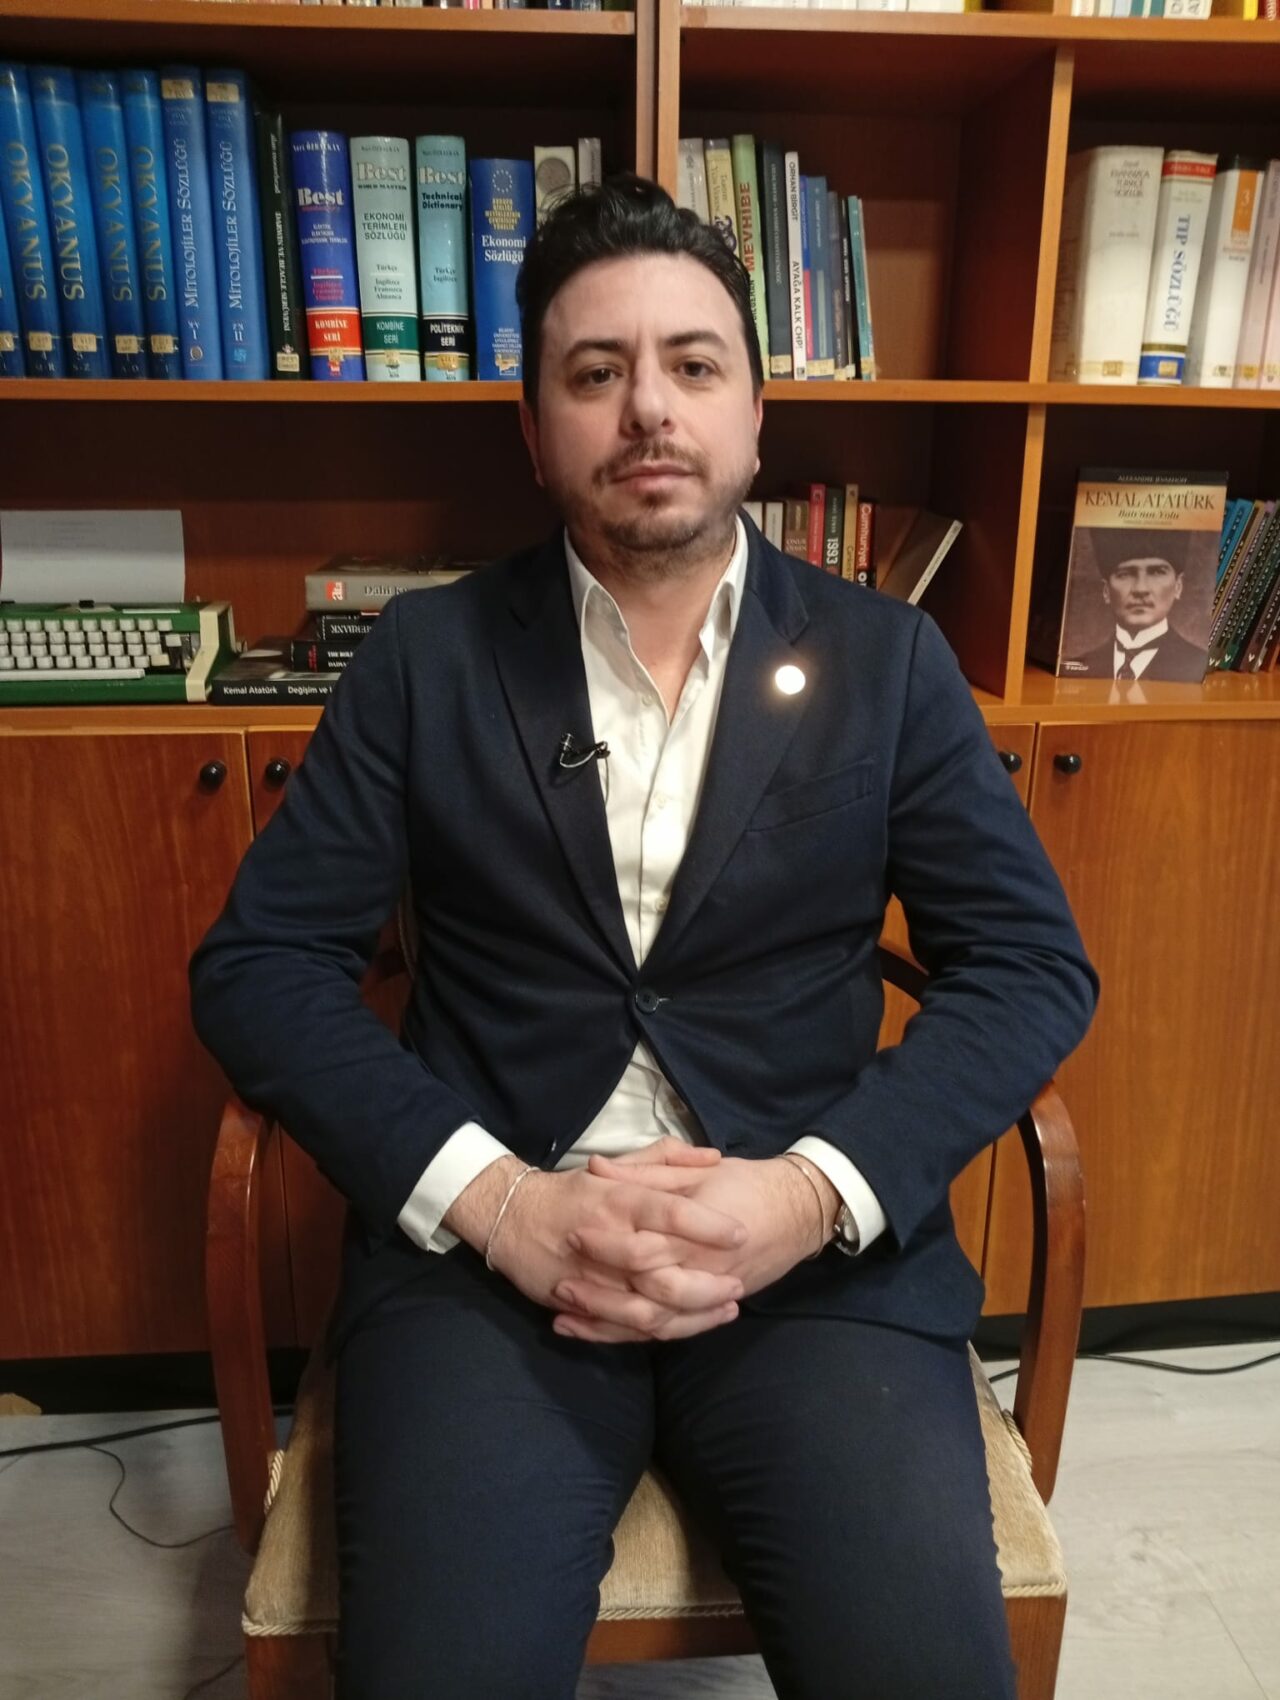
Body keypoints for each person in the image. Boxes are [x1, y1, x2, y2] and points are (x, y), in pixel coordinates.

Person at [189, 173, 1099, 1699]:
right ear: (535, 430)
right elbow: (260, 969)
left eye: (692, 363)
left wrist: (808, 1195)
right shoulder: (425, 658)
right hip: (490, 1274)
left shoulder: (886, 661)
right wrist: (499, 1206)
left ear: (755, 413)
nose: (649, 410)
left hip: (811, 1268)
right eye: (596, 372)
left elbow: (1029, 965)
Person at [1068, 529, 1209, 681]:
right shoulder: (1076, 669)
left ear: (1178, 586)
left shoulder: (1199, 666)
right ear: (1106, 591)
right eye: (1125, 574)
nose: (1140, 589)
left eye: (1157, 572)